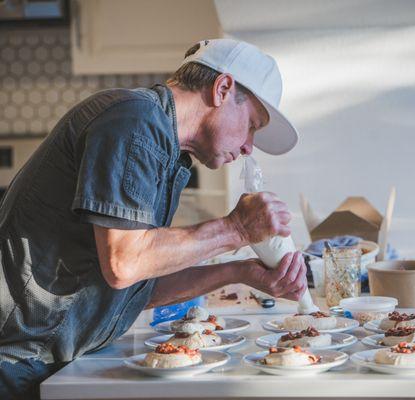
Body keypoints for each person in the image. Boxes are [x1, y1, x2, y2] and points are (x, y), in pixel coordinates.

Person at [0, 38, 305, 399]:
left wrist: (241, 272)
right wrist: (236, 228)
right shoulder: (133, 120)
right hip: (17, 362)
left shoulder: (165, 148)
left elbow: (133, 289)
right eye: (252, 125)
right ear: (223, 88)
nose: (248, 147)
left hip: (46, 360)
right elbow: (124, 263)